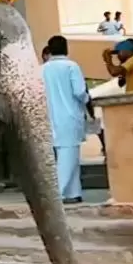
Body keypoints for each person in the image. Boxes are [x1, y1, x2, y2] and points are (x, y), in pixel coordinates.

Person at [41, 35, 88, 204]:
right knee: (68, 156)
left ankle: (73, 193)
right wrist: (88, 100)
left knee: (68, 156)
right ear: (66, 48)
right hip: (69, 116)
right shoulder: (71, 66)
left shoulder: (43, 69)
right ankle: (56, 195)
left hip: (49, 116)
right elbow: (79, 92)